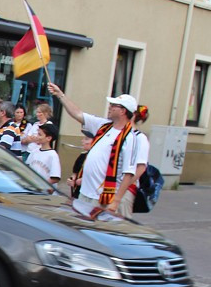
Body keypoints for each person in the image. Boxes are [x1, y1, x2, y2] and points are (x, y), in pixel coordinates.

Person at [48, 83, 138, 212]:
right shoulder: (103, 126)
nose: (110, 107)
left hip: (103, 197)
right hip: (85, 192)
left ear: (123, 111)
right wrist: (60, 95)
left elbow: (128, 173)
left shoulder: (130, 138)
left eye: (114, 106)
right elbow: (78, 114)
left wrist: (116, 201)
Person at [118, 105, 151, 217]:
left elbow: (141, 167)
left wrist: (122, 187)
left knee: (121, 223)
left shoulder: (140, 138)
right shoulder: (118, 133)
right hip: (108, 187)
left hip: (124, 189)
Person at [68, 129, 95, 198]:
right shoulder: (82, 156)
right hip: (78, 192)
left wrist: (84, 180)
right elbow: (75, 172)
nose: (82, 141)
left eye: (86, 139)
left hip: (90, 193)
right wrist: (72, 179)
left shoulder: (98, 159)